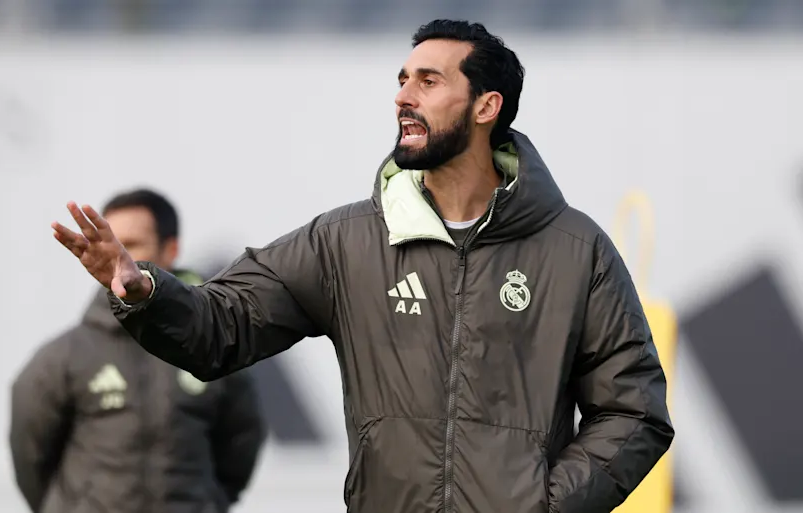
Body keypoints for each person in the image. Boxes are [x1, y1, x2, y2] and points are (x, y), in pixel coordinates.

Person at [51, 20, 674, 513]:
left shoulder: (575, 247)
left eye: (429, 81)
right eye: (403, 79)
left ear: (487, 106)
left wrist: (545, 505)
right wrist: (142, 290)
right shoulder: (344, 240)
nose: (403, 95)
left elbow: (634, 411)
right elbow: (221, 327)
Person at [12, 188, 267, 513]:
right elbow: (30, 457)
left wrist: (208, 503)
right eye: (107, 242)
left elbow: (242, 440)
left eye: (130, 245)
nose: (114, 256)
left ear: (170, 249)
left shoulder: (215, 341)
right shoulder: (63, 357)